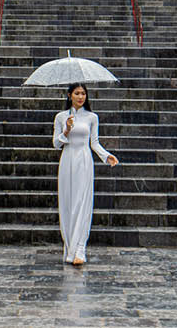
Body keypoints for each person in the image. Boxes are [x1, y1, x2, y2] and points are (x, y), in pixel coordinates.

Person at [52, 82, 118, 265]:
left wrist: (107, 156)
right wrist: (66, 129)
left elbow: (94, 143)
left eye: (83, 94)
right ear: (69, 95)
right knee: (67, 202)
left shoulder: (92, 117)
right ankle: (69, 247)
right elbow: (56, 144)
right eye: (77, 93)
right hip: (67, 160)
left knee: (82, 202)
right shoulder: (61, 117)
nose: (81, 97)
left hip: (84, 160)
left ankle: (80, 248)